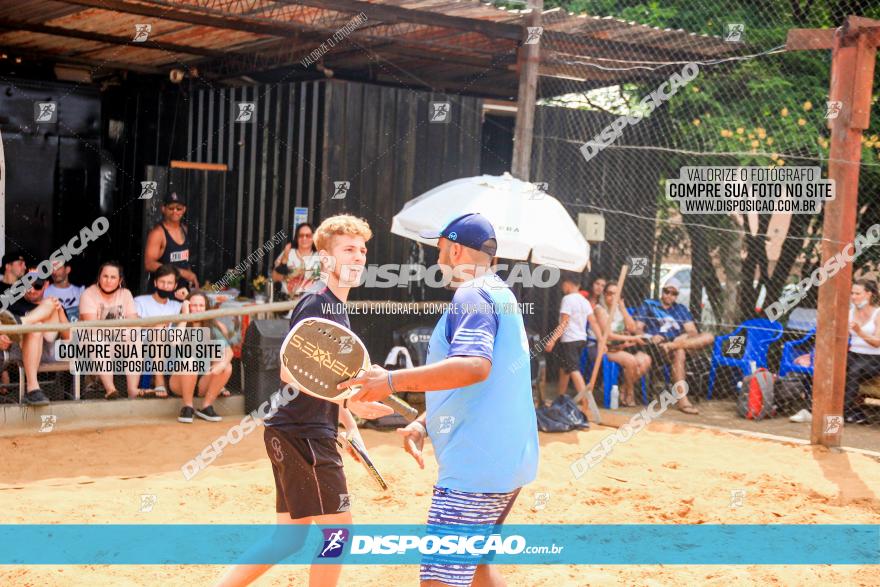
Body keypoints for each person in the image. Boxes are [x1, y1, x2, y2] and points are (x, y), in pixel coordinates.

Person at [344, 212, 539, 587]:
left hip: (474, 472)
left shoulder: (472, 293)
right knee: (479, 567)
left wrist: (390, 379)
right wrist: (424, 422)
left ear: (454, 251)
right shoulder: (500, 292)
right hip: (509, 463)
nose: (437, 261)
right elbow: (485, 384)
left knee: (440, 580)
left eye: (439, 252)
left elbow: (474, 367)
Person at [215, 214, 393, 587]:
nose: (359, 257)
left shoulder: (334, 307)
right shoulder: (317, 304)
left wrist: (350, 423)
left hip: (295, 430)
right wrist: (352, 400)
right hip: (304, 434)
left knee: (288, 538)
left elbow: (329, 381)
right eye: (348, 250)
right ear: (326, 260)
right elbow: (288, 370)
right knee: (339, 535)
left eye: (362, 250)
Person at [632, 279, 711, 415]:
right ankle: (683, 400)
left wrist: (684, 337)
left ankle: (674, 345)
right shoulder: (649, 305)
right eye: (667, 291)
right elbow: (636, 329)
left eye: (674, 293)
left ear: (677, 295)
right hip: (656, 347)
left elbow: (693, 331)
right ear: (662, 290)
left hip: (675, 343)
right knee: (679, 352)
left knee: (708, 336)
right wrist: (650, 336)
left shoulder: (680, 309)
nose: (669, 295)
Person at [0, 267, 73, 406]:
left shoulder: (52, 303)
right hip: (20, 349)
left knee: (50, 303)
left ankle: (21, 322)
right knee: (35, 329)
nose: (32, 289)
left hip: (49, 349)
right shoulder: (11, 303)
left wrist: (60, 311)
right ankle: (33, 389)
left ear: (46, 285)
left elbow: (68, 337)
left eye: (37, 285)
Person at [79, 261, 148, 399]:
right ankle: (111, 390)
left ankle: (132, 390)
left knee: (135, 338)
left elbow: (133, 322)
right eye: (105, 276)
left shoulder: (126, 294)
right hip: (91, 343)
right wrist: (122, 325)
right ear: (99, 277)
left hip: (118, 341)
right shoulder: (88, 294)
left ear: (120, 280)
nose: (108, 281)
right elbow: (93, 327)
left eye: (113, 277)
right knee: (99, 341)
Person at [544, 272, 602, 420]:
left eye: (563, 284)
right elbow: (593, 322)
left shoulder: (567, 299)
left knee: (574, 369)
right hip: (581, 339)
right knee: (565, 369)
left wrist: (552, 340)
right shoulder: (584, 301)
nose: (562, 287)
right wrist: (601, 339)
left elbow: (564, 323)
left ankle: (586, 402)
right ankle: (560, 399)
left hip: (569, 339)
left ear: (568, 284)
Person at [168, 291, 232, 423]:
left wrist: (222, 364)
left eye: (201, 306)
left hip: (203, 382)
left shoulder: (211, 327)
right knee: (190, 362)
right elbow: (175, 342)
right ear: (187, 306)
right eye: (193, 305)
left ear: (206, 308)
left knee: (227, 366)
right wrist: (185, 315)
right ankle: (187, 407)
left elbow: (229, 351)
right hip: (179, 382)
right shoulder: (179, 323)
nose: (197, 309)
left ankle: (206, 406)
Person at [593, 281, 652, 407]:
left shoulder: (619, 309)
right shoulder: (600, 310)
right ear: (604, 294)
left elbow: (632, 328)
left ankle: (622, 389)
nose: (612, 297)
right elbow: (608, 335)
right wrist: (634, 338)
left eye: (616, 294)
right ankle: (630, 393)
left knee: (646, 359)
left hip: (622, 347)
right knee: (631, 360)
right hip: (606, 348)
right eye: (609, 294)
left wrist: (623, 308)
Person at [134, 264, 183, 399]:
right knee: (158, 333)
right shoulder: (140, 302)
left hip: (172, 347)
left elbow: (200, 308)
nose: (166, 286)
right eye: (162, 282)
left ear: (175, 286)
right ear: (155, 282)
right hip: (143, 347)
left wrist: (187, 296)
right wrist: (157, 325)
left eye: (169, 283)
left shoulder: (177, 306)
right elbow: (133, 324)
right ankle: (159, 380)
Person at [144, 191, 199, 291]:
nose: (175, 212)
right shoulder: (158, 233)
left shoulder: (184, 229)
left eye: (178, 209)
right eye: (171, 208)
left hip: (182, 292)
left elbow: (183, 260)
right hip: (162, 293)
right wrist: (182, 272)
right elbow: (149, 264)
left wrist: (190, 276)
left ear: (184, 210)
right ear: (163, 209)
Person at [845, 279, 880, 425]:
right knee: (827, 366)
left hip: (874, 357)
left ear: (869, 294)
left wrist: (859, 331)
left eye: (857, 293)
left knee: (854, 371)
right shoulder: (850, 313)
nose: (853, 297)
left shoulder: (878, 313)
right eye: (852, 293)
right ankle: (854, 412)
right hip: (854, 353)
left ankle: (844, 411)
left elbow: (877, 343)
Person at [272, 222, 321, 297]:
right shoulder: (288, 253)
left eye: (308, 235)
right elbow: (275, 279)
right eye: (301, 235)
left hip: (311, 301)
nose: (304, 238)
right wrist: (284, 261)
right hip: (287, 302)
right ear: (296, 238)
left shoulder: (319, 257)